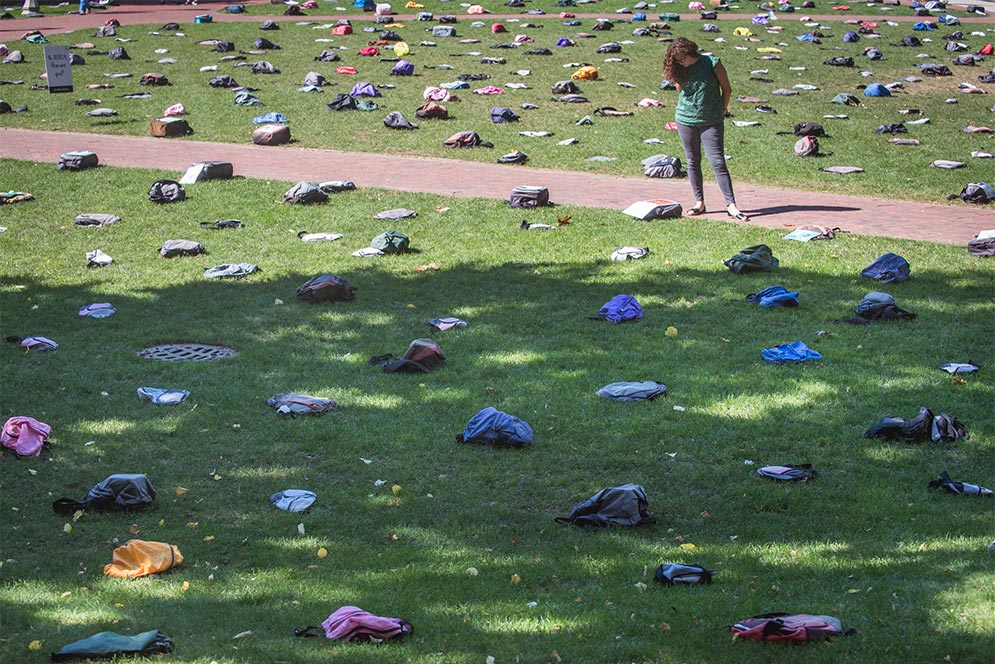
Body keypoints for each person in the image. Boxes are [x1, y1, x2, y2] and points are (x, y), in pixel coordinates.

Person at [663, 37, 750, 221]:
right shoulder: (679, 69)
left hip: (712, 119)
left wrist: (723, 109)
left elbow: (727, 89)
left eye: (681, 58)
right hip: (686, 119)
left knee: (717, 161)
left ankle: (731, 205)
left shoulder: (712, 63)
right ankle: (699, 202)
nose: (680, 62)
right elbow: (680, 90)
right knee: (692, 161)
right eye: (676, 60)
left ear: (689, 53)